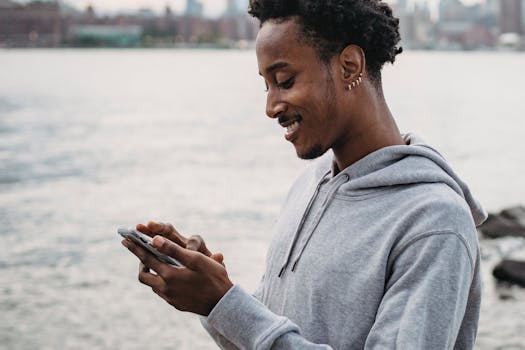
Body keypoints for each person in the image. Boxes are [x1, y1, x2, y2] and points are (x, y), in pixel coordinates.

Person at [121, 0, 487, 349]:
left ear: (349, 66)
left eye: (285, 80)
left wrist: (225, 303)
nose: (270, 107)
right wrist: (212, 295)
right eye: (266, 85)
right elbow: (265, 335)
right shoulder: (307, 187)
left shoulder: (435, 222)